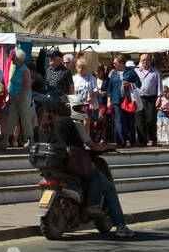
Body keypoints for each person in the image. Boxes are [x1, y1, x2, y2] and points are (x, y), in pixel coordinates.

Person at [35, 96, 132, 238]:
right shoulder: (67, 123)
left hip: (51, 167)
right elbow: (82, 146)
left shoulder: (40, 126)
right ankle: (118, 224)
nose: (66, 108)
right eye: (64, 106)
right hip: (71, 165)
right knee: (106, 186)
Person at [3, 48, 35, 148]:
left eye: (13, 58)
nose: (11, 59)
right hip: (15, 97)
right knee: (11, 118)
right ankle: (5, 141)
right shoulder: (17, 68)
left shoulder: (25, 70)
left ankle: (31, 141)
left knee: (25, 118)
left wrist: (16, 97)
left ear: (18, 59)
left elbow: (27, 87)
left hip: (22, 97)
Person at [135, 54, 161, 146]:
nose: (145, 62)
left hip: (151, 98)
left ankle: (153, 138)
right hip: (139, 98)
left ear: (150, 61)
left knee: (151, 120)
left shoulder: (155, 72)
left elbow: (159, 85)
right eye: (143, 60)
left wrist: (159, 98)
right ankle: (142, 141)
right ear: (140, 61)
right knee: (139, 120)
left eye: (147, 60)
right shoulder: (136, 71)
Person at [119, 56, 141, 146]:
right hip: (119, 99)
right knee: (121, 121)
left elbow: (139, 84)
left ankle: (132, 140)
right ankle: (123, 141)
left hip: (129, 99)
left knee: (130, 120)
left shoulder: (131, 73)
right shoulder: (116, 73)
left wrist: (130, 84)